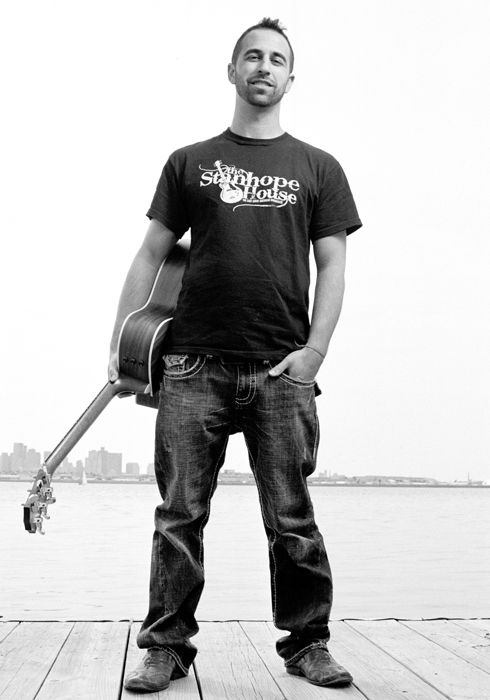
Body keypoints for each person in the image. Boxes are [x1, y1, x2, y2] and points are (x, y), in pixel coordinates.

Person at [108, 18, 362, 693]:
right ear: (232, 70)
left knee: (292, 519)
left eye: (277, 59)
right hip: (192, 366)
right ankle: (166, 647)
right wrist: (122, 344)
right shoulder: (189, 162)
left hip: (281, 370)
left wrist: (314, 352)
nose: (264, 67)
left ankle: (307, 644)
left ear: (290, 78)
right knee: (179, 516)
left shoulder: (319, 167)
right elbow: (151, 253)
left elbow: (333, 266)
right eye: (252, 55)